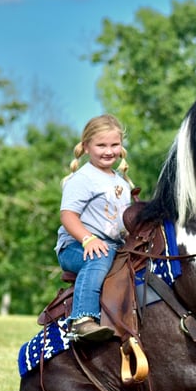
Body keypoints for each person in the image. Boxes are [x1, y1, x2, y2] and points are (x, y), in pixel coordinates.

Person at [55, 114, 134, 341]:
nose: (108, 151)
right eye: (101, 145)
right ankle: (82, 320)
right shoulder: (84, 178)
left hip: (111, 245)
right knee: (100, 256)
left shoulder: (120, 181)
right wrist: (88, 239)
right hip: (75, 246)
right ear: (87, 146)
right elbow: (68, 215)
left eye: (114, 145)